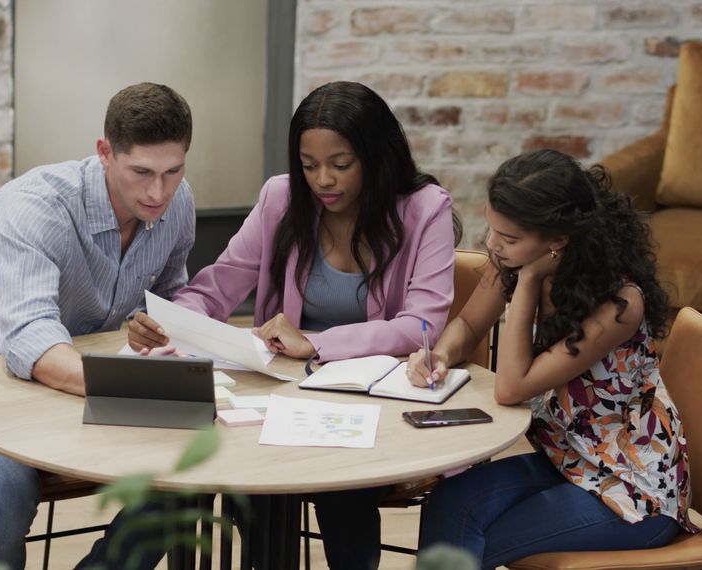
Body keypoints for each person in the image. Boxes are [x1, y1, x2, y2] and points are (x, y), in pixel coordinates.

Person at [127, 81, 457, 569]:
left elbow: (419, 325)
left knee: (341, 488)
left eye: (341, 165)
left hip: (371, 401)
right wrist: (167, 322)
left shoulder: (425, 208)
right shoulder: (281, 198)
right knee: (221, 465)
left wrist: (317, 343)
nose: (322, 180)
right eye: (308, 165)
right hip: (281, 391)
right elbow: (222, 283)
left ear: (376, 155)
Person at [0, 83, 196, 570]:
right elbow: (32, 341)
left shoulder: (177, 204)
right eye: (141, 173)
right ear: (104, 153)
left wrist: (161, 331)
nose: (159, 192)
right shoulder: (34, 205)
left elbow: (172, 301)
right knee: (7, 487)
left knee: (187, 475)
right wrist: (139, 387)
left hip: (64, 399)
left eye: (173, 171)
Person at [405, 149, 697, 568]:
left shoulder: (618, 304)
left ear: (557, 241)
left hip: (633, 492)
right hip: (568, 460)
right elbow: (469, 323)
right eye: (492, 230)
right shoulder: (517, 258)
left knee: (467, 545)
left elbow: (511, 388)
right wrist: (441, 355)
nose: (493, 245)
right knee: (451, 502)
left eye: (508, 238)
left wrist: (525, 283)